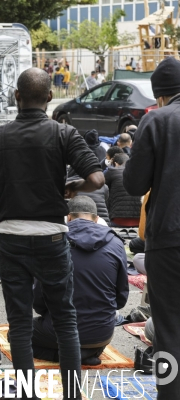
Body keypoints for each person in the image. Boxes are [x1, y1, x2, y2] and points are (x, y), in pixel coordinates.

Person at [0, 67, 104, 399]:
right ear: (49, 97)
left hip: (12, 237)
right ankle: (73, 395)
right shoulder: (65, 134)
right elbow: (96, 180)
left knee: (19, 324)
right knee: (65, 320)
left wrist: (16, 194)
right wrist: (72, 186)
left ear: (16, 97)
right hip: (52, 237)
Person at [123, 57, 180, 396]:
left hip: (169, 239)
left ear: (159, 96)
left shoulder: (157, 120)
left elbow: (133, 183)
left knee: (169, 329)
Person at [32, 196, 128, 365]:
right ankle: (86, 353)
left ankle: (66, 356)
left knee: (17, 334)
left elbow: (39, 299)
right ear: (97, 219)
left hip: (59, 330)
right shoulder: (116, 243)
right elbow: (121, 299)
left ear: (68, 217)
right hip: (101, 335)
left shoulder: (53, 242)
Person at [105, 153, 141, 227]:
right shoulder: (140, 172)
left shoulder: (112, 171)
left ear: (115, 163)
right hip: (139, 220)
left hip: (117, 219)